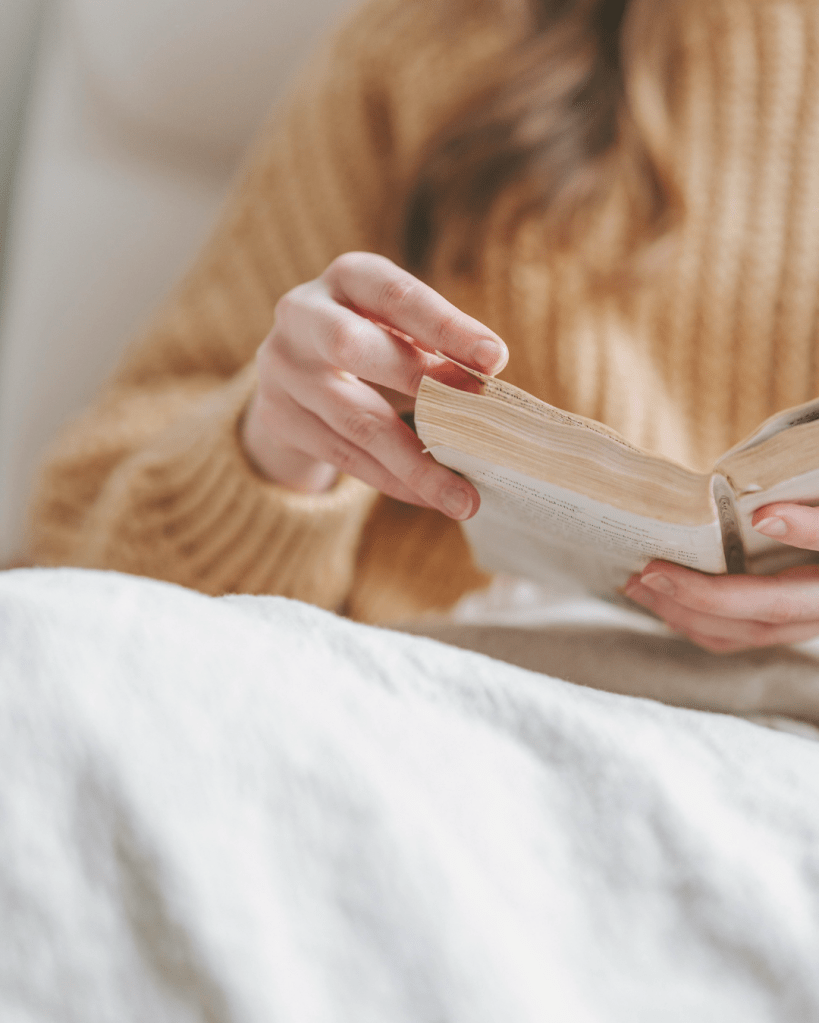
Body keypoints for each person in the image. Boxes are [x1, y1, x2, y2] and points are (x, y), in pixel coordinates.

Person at [27, 0, 819, 652]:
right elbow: (73, 539)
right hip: (415, 678)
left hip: (760, 737)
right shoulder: (437, 37)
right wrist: (271, 453)